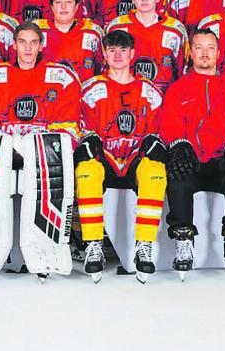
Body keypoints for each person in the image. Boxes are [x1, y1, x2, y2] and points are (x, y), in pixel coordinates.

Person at [0, 22, 82, 281]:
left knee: (50, 159)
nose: (27, 48)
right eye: (22, 42)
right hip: (2, 155)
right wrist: (13, 145)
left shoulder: (62, 77)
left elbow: (67, 129)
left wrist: (24, 144)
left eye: (33, 42)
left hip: (40, 158)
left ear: (41, 45)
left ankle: (47, 254)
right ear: (13, 44)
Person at [159, 28, 225, 281]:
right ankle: (183, 240)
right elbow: (169, 123)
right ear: (190, 53)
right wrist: (178, 144)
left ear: (219, 53)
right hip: (192, 160)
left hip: (221, 161)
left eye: (210, 48)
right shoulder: (177, 89)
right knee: (176, 173)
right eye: (199, 47)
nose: (205, 53)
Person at [74, 30, 166, 283]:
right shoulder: (91, 88)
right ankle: (93, 245)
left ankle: (144, 246)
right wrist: (87, 138)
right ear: (104, 53)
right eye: (112, 50)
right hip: (106, 160)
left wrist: (154, 141)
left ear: (132, 54)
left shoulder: (149, 91)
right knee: (87, 170)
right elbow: (81, 126)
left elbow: (159, 130)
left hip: (135, 160)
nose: (117, 55)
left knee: (155, 170)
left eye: (123, 50)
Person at [106, 0, 189, 92]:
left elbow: (183, 67)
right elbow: (107, 66)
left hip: (165, 96)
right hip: (127, 96)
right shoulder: (117, 26)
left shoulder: (175, 29)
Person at [35, 0, 104, 83]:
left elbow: (101, 69)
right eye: (58, 2)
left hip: (82, 95)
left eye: (68, 2)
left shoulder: (93, 32)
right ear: (51, 7)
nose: (63, 7)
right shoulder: (37, 31)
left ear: (76, 6)